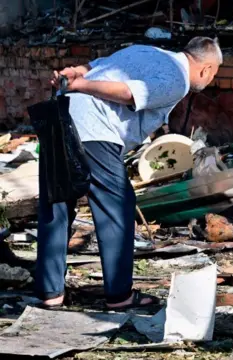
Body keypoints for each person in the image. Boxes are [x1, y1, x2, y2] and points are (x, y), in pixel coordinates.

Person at [38, 36, 222, 309]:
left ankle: (50, 292)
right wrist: (81, 84)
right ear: (206, 69)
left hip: (60, 117)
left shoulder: (146, 50)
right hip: (95, 130)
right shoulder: (178, 79)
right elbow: (128, 93)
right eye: (213, 75)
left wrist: (76, 73)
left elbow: (97, 65)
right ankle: (119, 295)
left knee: (57, 203)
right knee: (117, 209)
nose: (210, 81)